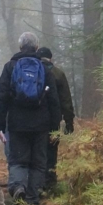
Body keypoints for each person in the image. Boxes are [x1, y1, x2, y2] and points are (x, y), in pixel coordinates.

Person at [0, 32, 61, 205]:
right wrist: (54, 128)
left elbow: (1, 97)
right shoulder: (44, 69)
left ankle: (18, 187)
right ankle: (32, 201)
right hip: (41, 125)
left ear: (20, 46)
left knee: (18, 160)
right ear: (36, 47)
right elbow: (53, 100)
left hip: (17, 124)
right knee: (38, 163)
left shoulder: (10, 67)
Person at [36, 46, 75, 192]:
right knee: (51, 150)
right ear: (50, 58)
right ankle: (50, 183)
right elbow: (65, 99)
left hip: (34, 119)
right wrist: (69, 121)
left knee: (36, 150)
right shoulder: (58, 73)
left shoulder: (34, 71)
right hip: (53, 119)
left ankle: (35, 184)